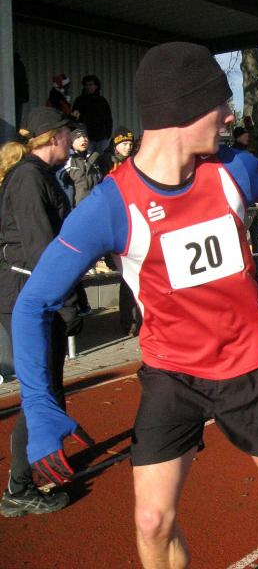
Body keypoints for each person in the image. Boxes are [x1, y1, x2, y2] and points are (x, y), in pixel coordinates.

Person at [11, 42, 258, 566]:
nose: (231, 116)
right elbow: (32, 304)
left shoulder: (232, 169)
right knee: (152, 522)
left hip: (246, 367)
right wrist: (38, 405)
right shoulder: (111, 205)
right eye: (221, 104)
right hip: (171, 373)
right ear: (184, 109)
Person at [0, 106, 83, 517]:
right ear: (55, 137)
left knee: (49, 387)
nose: (74, 139)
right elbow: (42, 250)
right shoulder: (30, 178)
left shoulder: (40, 175)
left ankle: (44, 462)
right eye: (69, 132)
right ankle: (19, 487)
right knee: (41, 392)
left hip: (32, 293)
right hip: (28, 297)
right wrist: (67, 304)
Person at [72, 75, 113, 154]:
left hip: (101, 138)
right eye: (86, 85)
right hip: (86, 137)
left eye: (91, 85)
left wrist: (108, 134)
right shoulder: (79, 101)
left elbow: (108, 118)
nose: (88, 87)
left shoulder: (102, 101)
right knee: (88, 157)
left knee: (102, 158)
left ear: (96, 86)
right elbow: (74, 119)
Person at [63, 123, 103, 206]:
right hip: (77, 208)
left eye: (85, 136)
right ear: (70, 141)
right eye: (78, 137)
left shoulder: (94, 158)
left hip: (95, 205)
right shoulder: (67, 160)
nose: (83, 139)